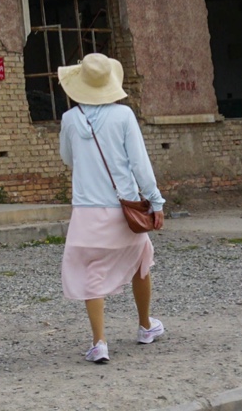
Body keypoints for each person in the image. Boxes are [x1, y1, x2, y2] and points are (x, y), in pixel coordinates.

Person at [55, 52, 164, 363]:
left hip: (86, 211)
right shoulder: (124, 115)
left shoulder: (70, 119)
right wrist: (155, 201)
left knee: (92, 270)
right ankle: (145, 326)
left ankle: (99, 343)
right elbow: (139, 163)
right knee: (141, 261)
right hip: (123, 210)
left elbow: (67, 158)